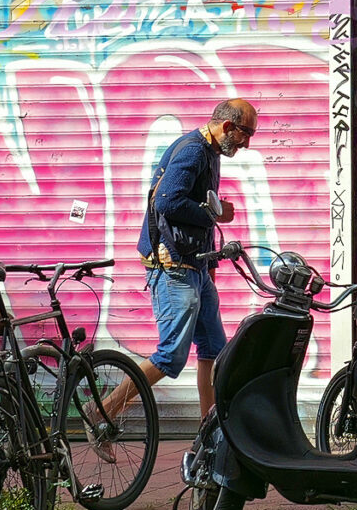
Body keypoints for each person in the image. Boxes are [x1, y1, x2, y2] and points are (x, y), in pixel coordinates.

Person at [86, 98, 257, 463]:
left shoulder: (210, 153)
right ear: (228, 126)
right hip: (173, 265)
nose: (247, 143)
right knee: (171, 356)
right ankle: (100, 413)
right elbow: (167, 202)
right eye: (246, 134)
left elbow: (193, 208)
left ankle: (208, 434)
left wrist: (210, 262)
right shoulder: (193, 152)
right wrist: (215, 213)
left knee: (213, 349)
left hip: (195, 266)